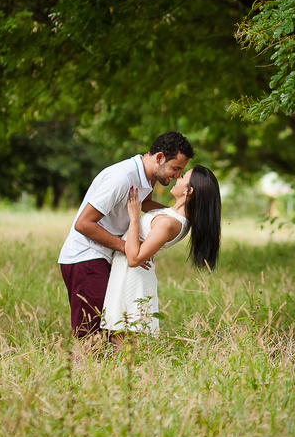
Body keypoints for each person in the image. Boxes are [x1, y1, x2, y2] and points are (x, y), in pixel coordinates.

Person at [57, 132, 194, 338]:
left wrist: (178, 216)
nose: (176, 176)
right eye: (175, 169)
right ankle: (78, 370)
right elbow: (83, 223)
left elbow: (145, 204)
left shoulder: (148, 176)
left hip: (104, 256)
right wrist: (129, 249)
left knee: (107, 333)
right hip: (86, 257)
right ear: (159, 157)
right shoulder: (121, 178)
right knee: (90, 337)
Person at [102, 165, 221, 337]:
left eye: (182, 177)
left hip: (132, 277)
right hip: (125, 273)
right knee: (117, 340)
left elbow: (134, 259)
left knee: (121, 344)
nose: (177, 177)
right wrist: (155, 171)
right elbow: (146, 203)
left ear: (189, 191)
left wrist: (135, 217)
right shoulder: (172, 214)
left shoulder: (169, 223)